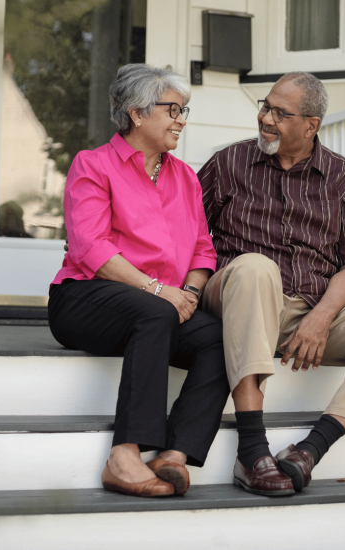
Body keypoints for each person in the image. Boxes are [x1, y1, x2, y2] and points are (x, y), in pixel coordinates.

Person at [198, 72, 345, 496]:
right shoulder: (228, 163)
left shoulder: (342, 177)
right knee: (255, 267)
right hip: (239, 295)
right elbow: (187, 235)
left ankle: (311, 448)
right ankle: (251, 448)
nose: (265, 118)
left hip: (308, 311)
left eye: (280, 113)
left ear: (311, 124)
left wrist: (322, 317)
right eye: (265, 106)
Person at [48, 64, 230, 498]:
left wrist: (187, 293)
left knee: (222, 337)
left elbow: (204, 249)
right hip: (85, 300)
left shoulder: (185, 176)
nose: (181, 120)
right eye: (173, 110)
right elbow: (91, 248)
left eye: (185, 111)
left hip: (163, 307)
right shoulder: (93, 165)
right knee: (155, 312)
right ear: (137, 113)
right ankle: (124, 455)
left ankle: (173, 454)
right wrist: (158, 291)